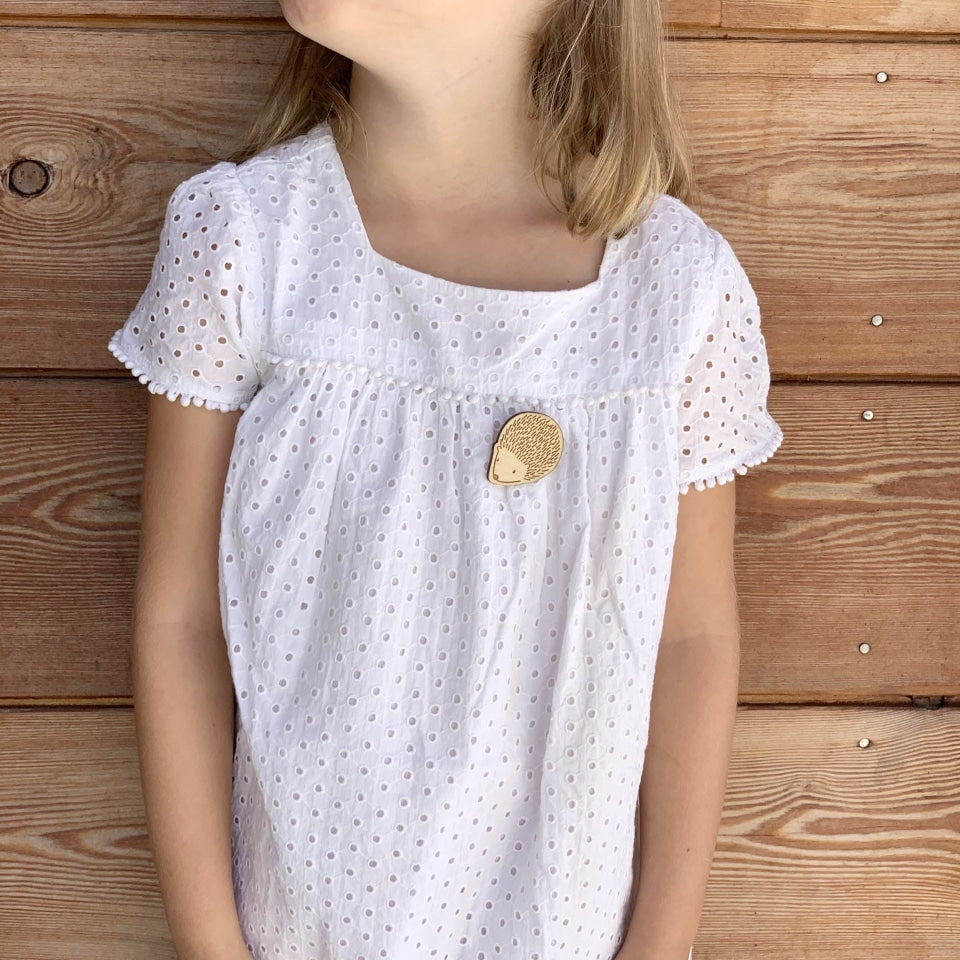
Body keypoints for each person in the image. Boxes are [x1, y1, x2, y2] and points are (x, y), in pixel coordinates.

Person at [107, 2, 784, 959]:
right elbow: (182, 619)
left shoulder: (676, 294)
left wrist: (661, 944)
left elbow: (692, 638)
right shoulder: (247, 240)